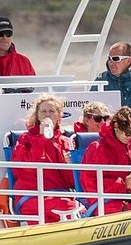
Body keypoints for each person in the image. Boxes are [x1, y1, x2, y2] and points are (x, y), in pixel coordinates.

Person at [10, 94, 81, 224]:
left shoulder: (65, 142)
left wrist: (70, 166)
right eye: (43, 111)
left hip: (60, 194)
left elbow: (71, 182)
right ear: (37, 116)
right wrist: (41, 138)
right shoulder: (25, 139)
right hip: (32, 195)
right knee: (70, 208)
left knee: (78, 208)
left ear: (59, 116)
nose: (47, 115)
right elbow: (22, 171)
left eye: (52, 111)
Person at [79, 106, 131, 214]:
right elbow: (91, 183)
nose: (130, 137)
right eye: (127, 133)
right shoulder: (97, 148)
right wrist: (123, 184)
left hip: (128, 199)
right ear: (116, 127)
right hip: (105, 201)